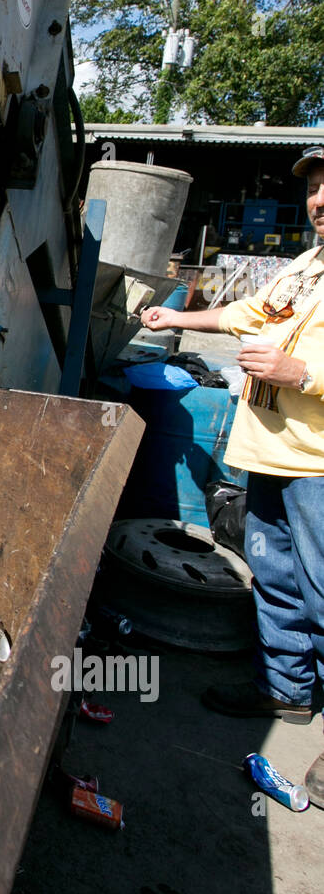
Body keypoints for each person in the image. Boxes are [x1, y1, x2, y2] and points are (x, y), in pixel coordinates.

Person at [140, 147, 324, 807]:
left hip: (319, 467)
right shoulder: (307, 267)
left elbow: (290, 361)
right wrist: (174, 318)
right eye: (314, 188)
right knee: (275, 578)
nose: (318, 201)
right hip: (272, 454)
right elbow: (247, 316)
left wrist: (300, 375)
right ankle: (286, 689)